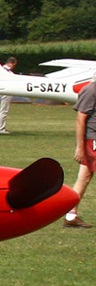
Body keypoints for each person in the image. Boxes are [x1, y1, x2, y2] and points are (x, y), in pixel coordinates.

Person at [65, 78, 96, 227]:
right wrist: (80, 147)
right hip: (93, 140)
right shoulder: (91, 90)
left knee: (84, 177)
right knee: (85, 177)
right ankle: (70, 215)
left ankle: (71, 215)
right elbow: (80, 119)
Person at [0, 57, 18, 134]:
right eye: (13, 65)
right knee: (4, 111)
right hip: (6, 91)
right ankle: (1, 129)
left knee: (4, 111)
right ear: (10, 63)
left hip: (5, 91)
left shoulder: (4, 70)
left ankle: (2, 128)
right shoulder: (5, 71)